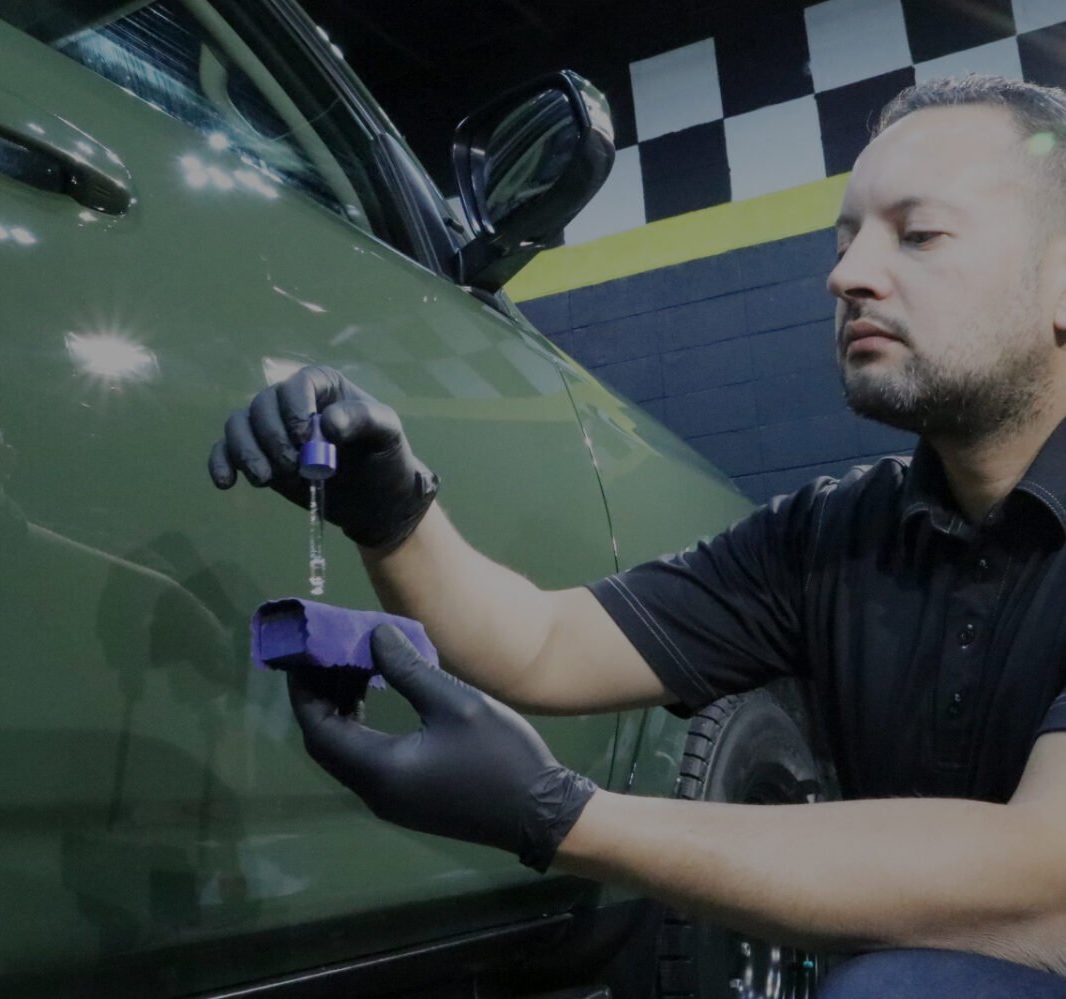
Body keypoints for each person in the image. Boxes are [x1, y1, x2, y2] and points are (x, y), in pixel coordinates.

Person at [209, 75, 1066, 997]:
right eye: (845, 237)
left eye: (920, 233)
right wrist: (393, 510)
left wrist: (559, 816)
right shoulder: (836, 534)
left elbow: (1044, 888)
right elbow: (543, 645)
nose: (847, 273)